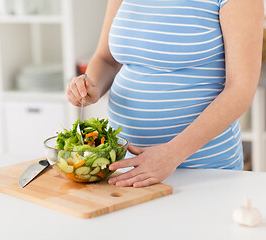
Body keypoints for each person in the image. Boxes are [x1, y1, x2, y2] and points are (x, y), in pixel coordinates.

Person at [66, 0, 264, 187]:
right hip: (125, 165)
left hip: (202, 170)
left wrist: (173, 154)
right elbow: (106, 59)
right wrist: (91, 86)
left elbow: (240, 89)